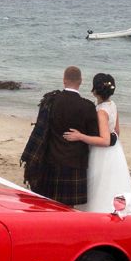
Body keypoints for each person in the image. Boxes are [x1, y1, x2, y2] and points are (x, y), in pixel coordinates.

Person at [63, 73, 131, 215]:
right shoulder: (113, 105)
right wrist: (113, 138)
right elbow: (116, 131)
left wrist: (80, 136)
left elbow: (105, 140)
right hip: (115, 152)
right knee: (114, 182)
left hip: (101, 153)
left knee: (99, 184)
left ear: (95, 91)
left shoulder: (101, 111)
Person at [22, 66, 100, 207]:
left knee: (47, 204)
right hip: (75, 163)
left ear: (64, 80)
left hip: (51, 160)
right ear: (81, 81)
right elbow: (94, 136)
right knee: (68, 209)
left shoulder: (50, 101)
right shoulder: (88, 106)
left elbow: (41, 131)